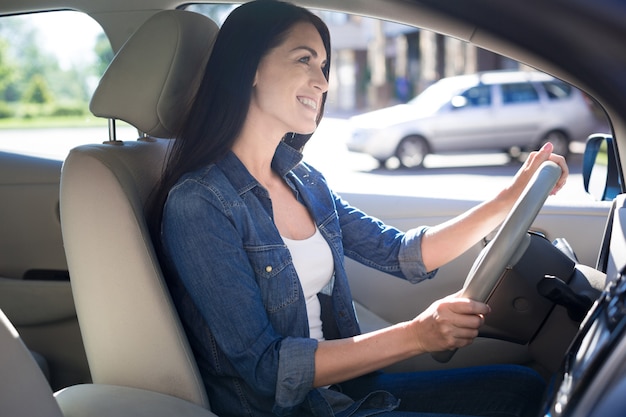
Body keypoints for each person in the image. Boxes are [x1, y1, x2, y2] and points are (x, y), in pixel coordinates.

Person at [148, 1, 569, 416]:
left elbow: (402, 253)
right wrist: (418, 335)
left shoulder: (304, 180)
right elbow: (268, 369)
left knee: (523, 389)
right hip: (293, 410)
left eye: (323, 66)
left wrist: (510, 197)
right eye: (304, 60)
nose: (323, 82)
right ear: (250, 68)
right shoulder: (198, 204)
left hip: (344, 394)